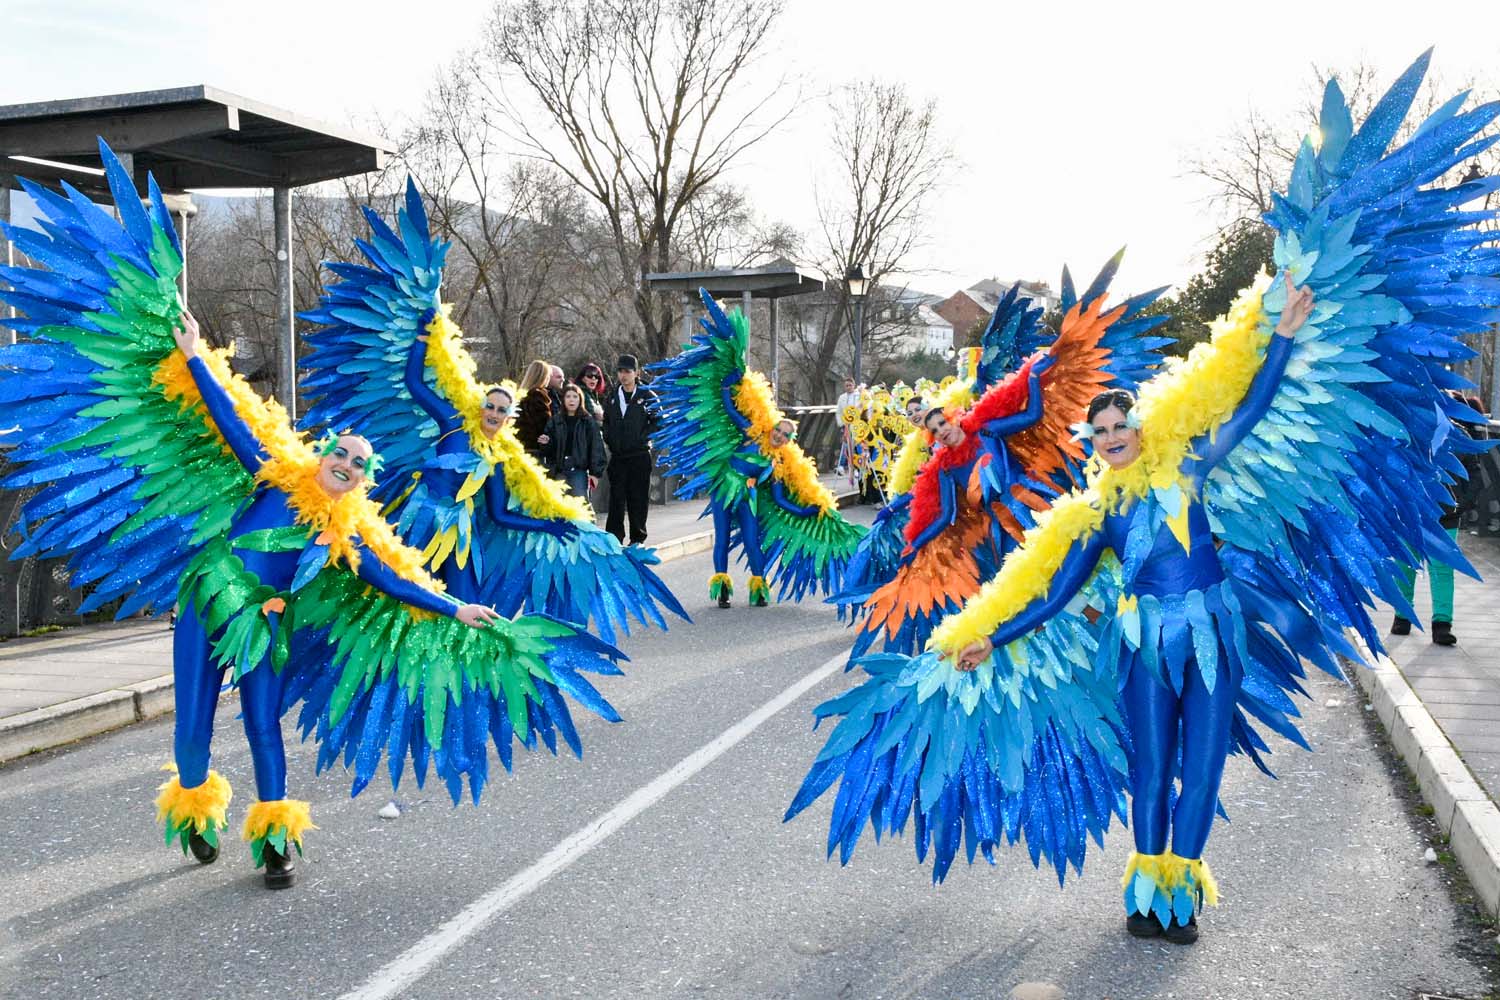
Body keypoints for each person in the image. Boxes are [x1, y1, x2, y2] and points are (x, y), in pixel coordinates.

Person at [951, 282, 1316, 943]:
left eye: (1122, 427)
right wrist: (991, 638)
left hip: (1211, 636)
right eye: (1102, 432)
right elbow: (1056, 593)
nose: (1113, 437)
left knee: (1201, 768)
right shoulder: (1098, 517)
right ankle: (1147, 897)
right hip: (1147, 644)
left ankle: (1184, 897)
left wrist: (1283, 331)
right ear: (1092, 442)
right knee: (1151, 769)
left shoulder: (1191, 470)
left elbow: (1255, 406)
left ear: (1141, 430)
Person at [170, 311, 500, 888]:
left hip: (266, 624)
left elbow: (393, 583)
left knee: (262, 726)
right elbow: (229, 423)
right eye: (341, 454)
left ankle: (275, 843)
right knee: (193, 728)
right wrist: (196, 355)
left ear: (365, 482)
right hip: (209, 601)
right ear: (323, 454)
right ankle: (195, 807)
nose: (346, 465)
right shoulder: (273, 477)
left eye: (359, 464)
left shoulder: (343, 538)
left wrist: (456, 608)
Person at [603, 353, 658, 544]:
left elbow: (658, 422)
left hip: (639, 456)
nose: (623, 375)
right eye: (620, 371)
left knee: (638, 499)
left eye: (627, 371)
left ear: (637, 373)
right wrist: (610, 439)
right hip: (618, 456)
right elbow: (606, 422)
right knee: (616, 499)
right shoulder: (612, 396)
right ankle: (614, 538)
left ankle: (638, 539)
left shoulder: (648, 395)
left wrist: (643, 438)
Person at [540, 382, 607, 498]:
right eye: (568, 396)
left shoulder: (588, 421)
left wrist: (595, 473)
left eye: (575, 397)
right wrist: (546, 443)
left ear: (580, 399)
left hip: (579, 471)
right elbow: (548, 450)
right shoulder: (555, 421)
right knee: (559, 507)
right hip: (559, 470)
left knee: (582, 507)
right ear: (563, 399)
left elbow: (596, 448)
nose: (572, 400)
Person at [515, 359, 552, 457]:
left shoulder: (520, 396)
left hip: (519, 448)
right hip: (534, 450)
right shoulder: (537, 398)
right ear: (543, 377)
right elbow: (544, 425)